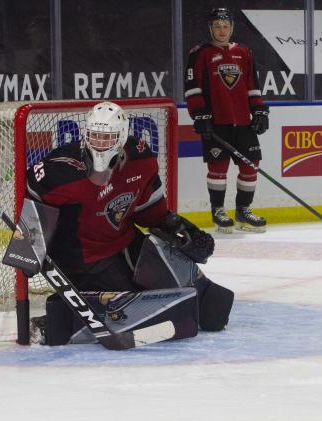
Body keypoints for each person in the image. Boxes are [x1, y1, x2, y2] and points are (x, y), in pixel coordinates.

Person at [25, 101, 233, 342]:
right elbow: (31, 198)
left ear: (122, 137)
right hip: (83, 256)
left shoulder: (141, 159)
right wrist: (29, 247)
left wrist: (177, 227)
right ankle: (57, 320)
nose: (100, 143)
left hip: (125, 242)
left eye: (108, 137)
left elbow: (148, 210)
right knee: (134, 308)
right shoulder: (61, 169)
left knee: (211, 311)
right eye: (95, 136)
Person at [184, 7, 270, 234]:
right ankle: (218, 211)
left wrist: (259, 110)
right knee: (218, 168)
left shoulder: (244, 52)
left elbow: (252, 85)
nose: (222, 31)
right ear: (210, 28)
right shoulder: (199, 53)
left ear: (232, 27)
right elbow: (192, 88)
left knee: (251, 166)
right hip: (216, 122)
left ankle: (243, 211)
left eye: (226, 26)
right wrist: (200, 115)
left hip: (243, 122)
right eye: (217, 26)